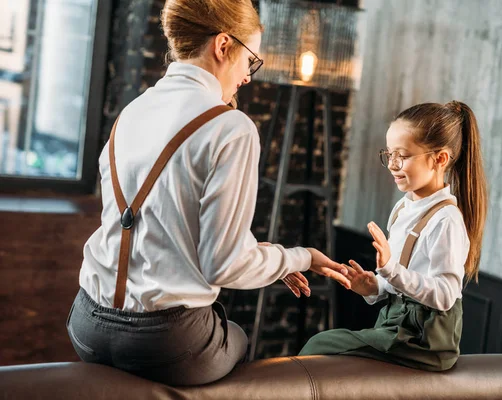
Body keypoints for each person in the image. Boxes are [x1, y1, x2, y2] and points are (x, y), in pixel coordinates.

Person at [66, 0, 349, 386]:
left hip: (86, 325)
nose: (248, 77)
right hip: (165, 342)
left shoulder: (132, 111)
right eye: (250, 60)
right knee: (237, 337)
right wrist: (299, 258)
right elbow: (223, 267)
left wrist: (257, 253)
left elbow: (154, 229)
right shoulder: (231, 127)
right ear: (222, 45)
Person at [299, 101, 488, 372]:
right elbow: (397, 281)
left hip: (426, 339)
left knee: (320, 346)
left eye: (403, 156)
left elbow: (445, 296)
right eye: (389, 154)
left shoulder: (446, 221)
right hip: (395, 324)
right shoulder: (403, 207)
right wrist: (373, 288)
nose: (392, 165)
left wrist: (389, 270)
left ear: (440, 159)